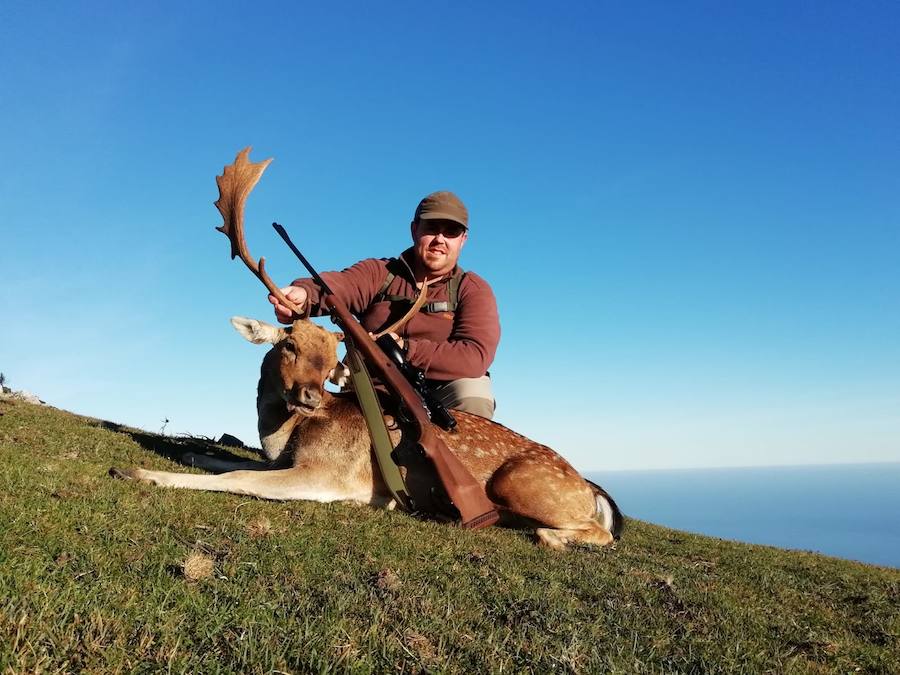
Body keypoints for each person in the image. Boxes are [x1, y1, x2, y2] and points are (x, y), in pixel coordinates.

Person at [269, 191, 500, 419]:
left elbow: (475, 355)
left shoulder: (473, 289)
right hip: (373, 388)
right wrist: (304, 292)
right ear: (414, 230)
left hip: (438, 394)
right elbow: (341, 285)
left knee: (474, 393)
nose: (440, 239)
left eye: (451, 232)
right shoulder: (380, 273)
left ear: (463, 240)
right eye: (431, 228)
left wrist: (406, 349)